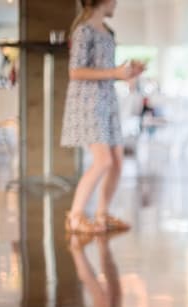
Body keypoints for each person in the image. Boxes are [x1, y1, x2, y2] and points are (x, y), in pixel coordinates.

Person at [61, 0, 144, 234]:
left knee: (117, 160)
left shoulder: (107, 31)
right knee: (103, 160)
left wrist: (126, 73)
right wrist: (114, 72)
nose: (116, 3)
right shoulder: (83, 31)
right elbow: (75, 71)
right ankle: (75, 217)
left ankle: (102, 214)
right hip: (88, 102)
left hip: (107, 100)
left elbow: (103, 70)